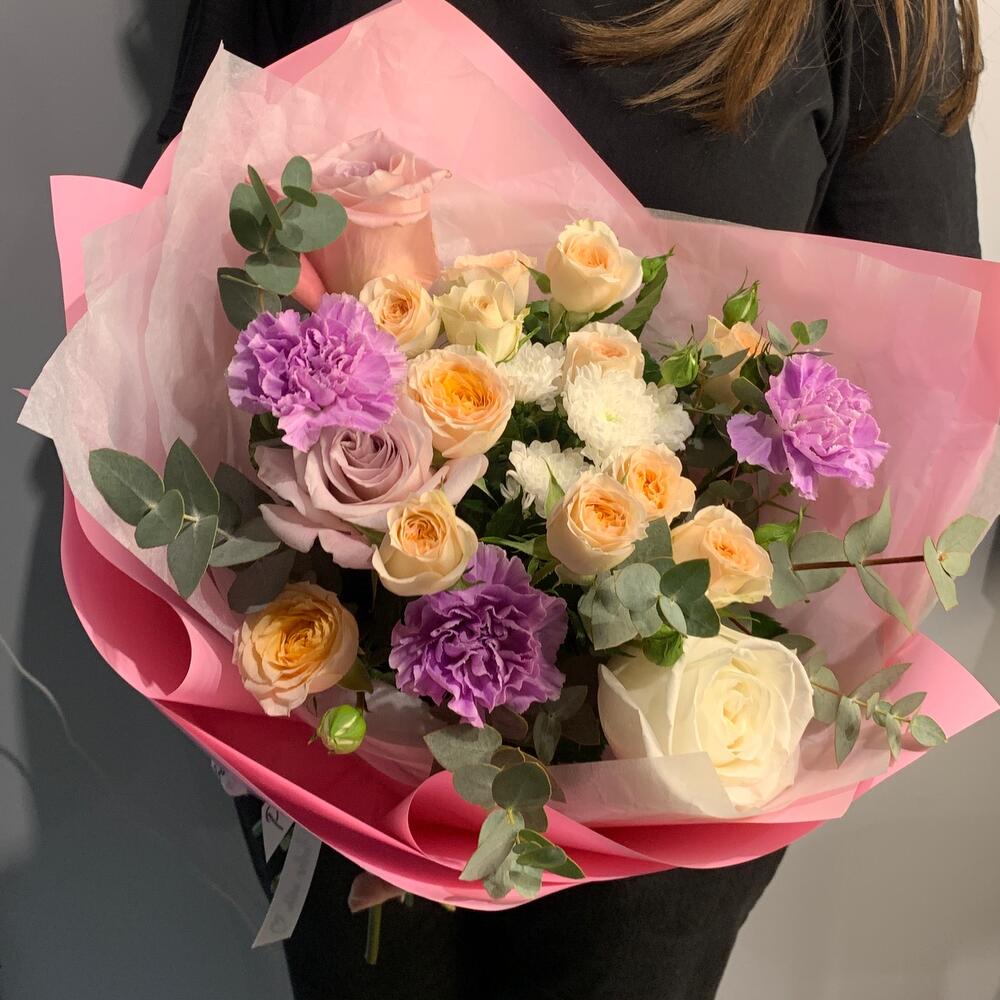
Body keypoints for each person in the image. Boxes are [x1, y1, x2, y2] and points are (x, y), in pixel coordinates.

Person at [162, 3, 982, 998]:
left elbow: (915, 374)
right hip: (335, 689)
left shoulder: (875, 18)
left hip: (677, 734)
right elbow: (187, 249)